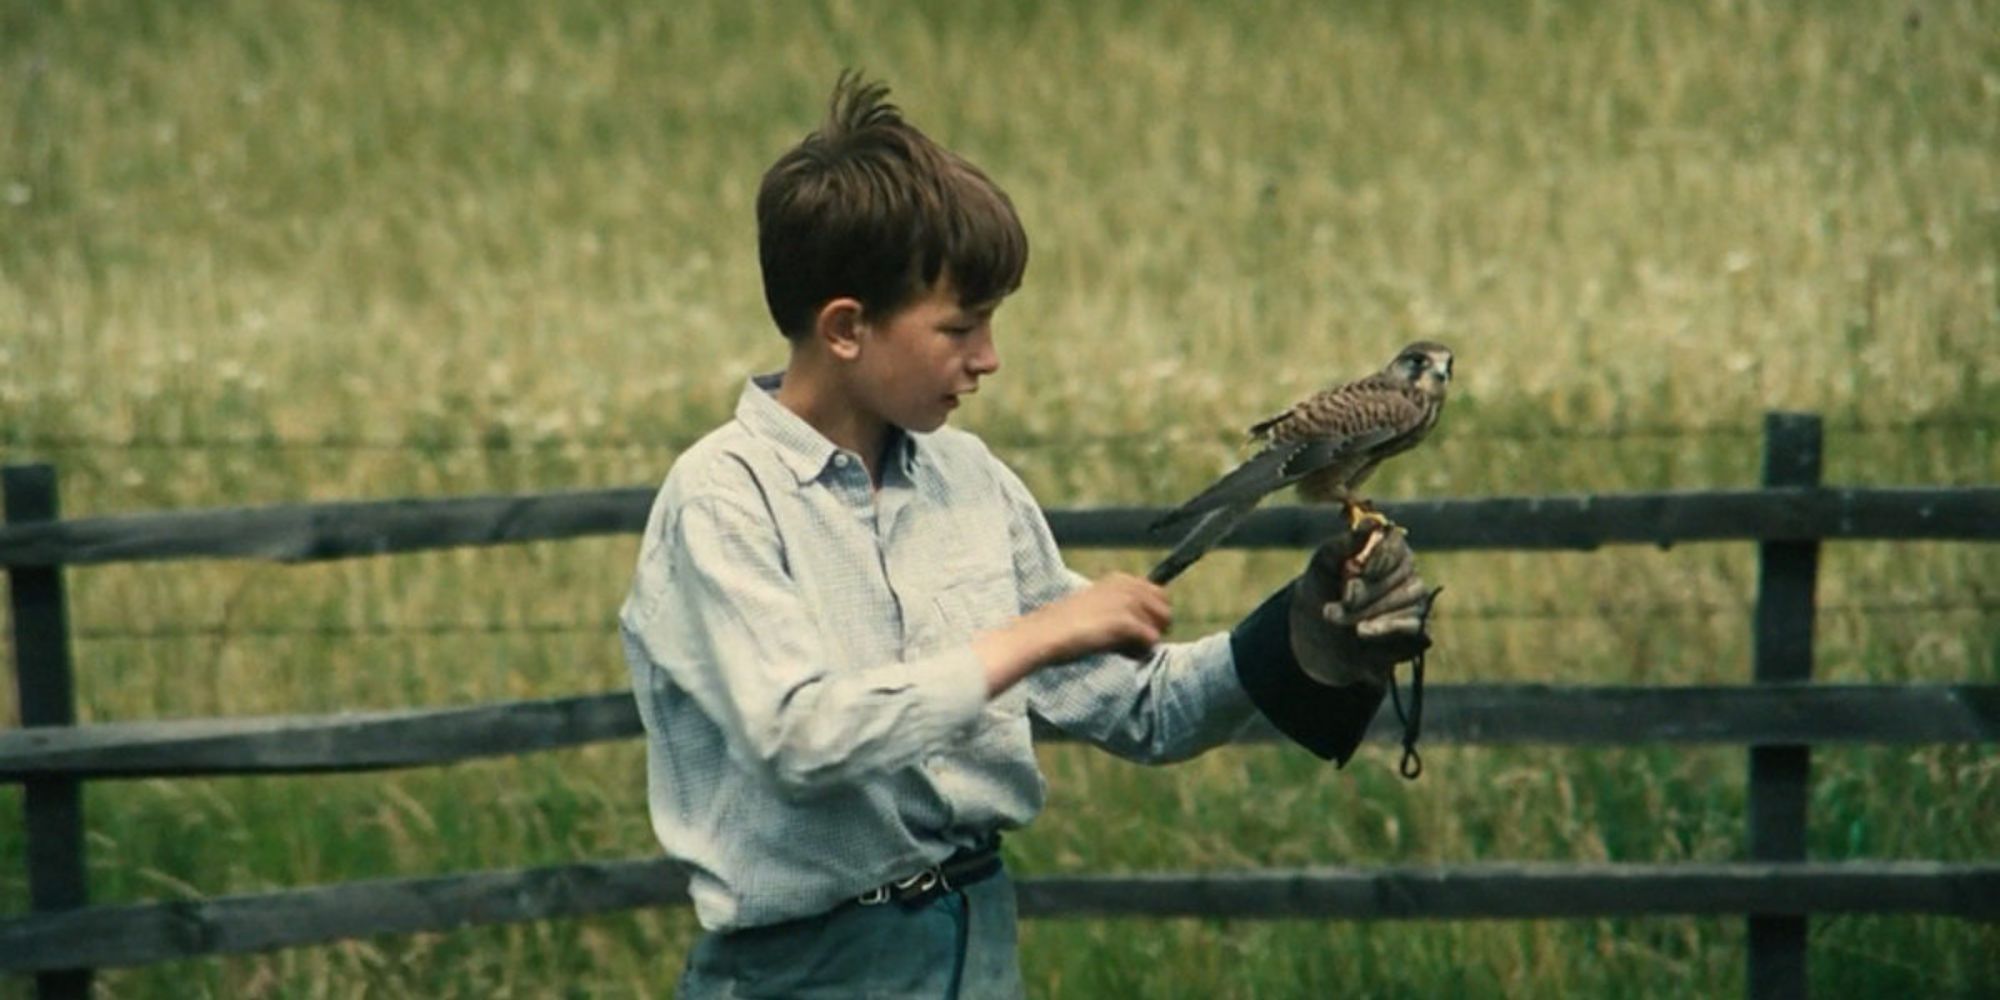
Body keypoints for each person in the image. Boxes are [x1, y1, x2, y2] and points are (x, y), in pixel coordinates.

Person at [618, 71, 1435, 999]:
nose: (989, 358)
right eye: (960, 327)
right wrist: (1034, 635)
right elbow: (801, 738)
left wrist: (1299, 632)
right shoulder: (723, 503)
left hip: (979, 951)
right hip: (800, 974)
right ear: (846, 328)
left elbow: (1144, 708)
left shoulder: (971, 484)